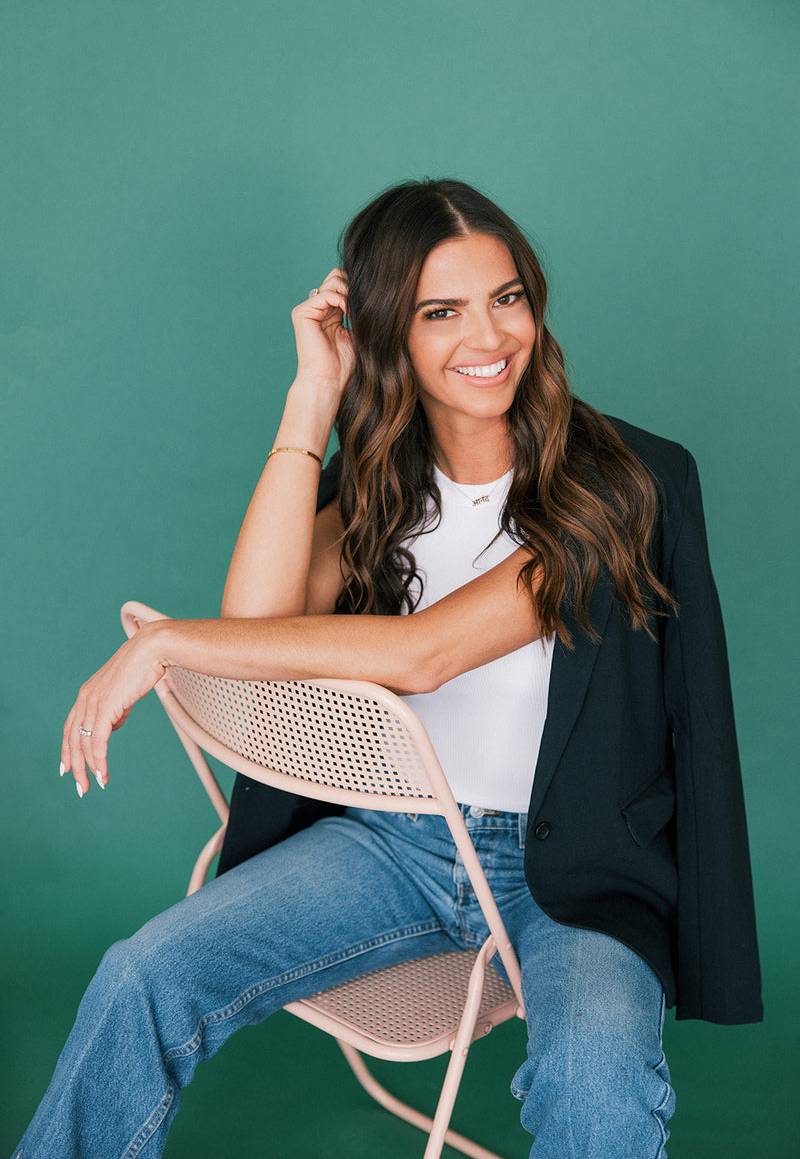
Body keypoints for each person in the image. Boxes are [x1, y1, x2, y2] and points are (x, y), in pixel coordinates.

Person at [14, 179, 761, 1159]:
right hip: (390, 845)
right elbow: (258, 632)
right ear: (386, 335)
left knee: (597, 1091)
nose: (488, 336)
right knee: (140, 974)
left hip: (575, 875)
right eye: (439, 312)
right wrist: (311, 400)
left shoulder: (620, 483)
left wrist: (162, 641)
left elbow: (425, 653)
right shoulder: (373, 484)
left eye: (506, 298)